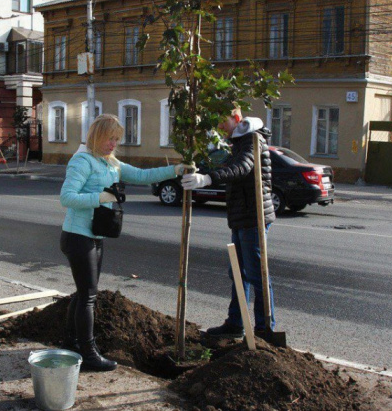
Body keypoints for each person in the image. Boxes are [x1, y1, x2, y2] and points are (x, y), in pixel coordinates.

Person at [60, 114, 189, 372]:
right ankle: (88, 353)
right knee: (88, 296)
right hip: (77, 236)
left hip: (95, 235)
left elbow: (142, 175)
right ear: (98, 136)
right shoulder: (82, 161)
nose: (113, 144)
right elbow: (67, 197)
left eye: (117, 139)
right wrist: (101, 196)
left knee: (84, 293)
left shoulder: (111, 162)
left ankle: (71, 342)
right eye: (110, 138)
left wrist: (175, 170)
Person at [181, 109, 276, 338]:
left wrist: (208, 179)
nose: (221, 127)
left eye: (222, 121)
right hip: (241, 216)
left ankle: (264, 330)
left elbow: (243, 168)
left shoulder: (252, 139)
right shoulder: (238, 141)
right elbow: (228, 165)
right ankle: (236, 323)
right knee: (238, 273)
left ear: (235, 117)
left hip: (253, 217)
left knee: (257, 274)